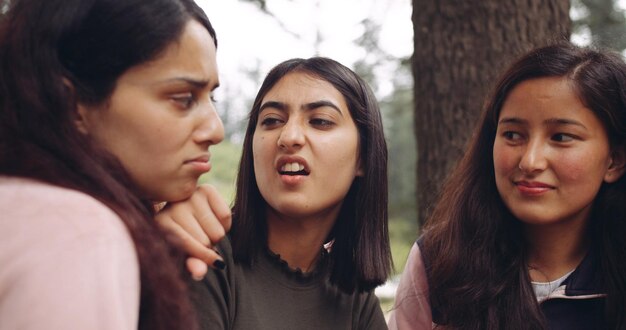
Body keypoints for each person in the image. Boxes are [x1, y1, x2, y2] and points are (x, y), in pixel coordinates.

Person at [0, 0, 230, 329]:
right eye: (183, 99)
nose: (216, 130)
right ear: (72, 103)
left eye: (212, 98)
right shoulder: (77, 232)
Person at [389, 42, 626, 329]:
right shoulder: (439, 260)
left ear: (614, 161)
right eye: (513, 134)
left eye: (562, 137)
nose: (530, 161)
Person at [163, 57, 392, 329]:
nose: (289, 137)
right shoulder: (205, 256)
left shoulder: (355, 297)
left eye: (320, 121)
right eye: (271, 121)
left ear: (363, 158)